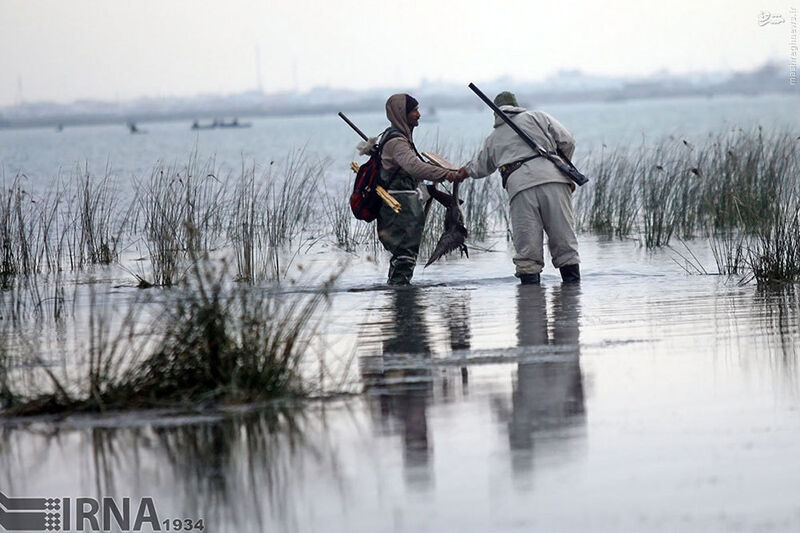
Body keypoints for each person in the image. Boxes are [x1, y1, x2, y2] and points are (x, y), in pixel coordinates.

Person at [454, 91, 580, 284]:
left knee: (527, 250)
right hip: (555, 182)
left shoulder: (493, 138)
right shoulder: (538, 117)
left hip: (521, 188)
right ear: (516, 105)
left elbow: (481, 167)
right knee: (564, 242)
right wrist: (559, 164)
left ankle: (530, 301)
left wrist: (463, 172)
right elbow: (568, 140)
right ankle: (572, 297)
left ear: (495, 112)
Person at [377, 93, 465, 285]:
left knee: (403, 256)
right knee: (405, 256)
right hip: (400, 208)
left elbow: (412, 168)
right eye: (414, 110)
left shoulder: (397, 138)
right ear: (402, 114)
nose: (418, 114)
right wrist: (446, 174)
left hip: (403, 205)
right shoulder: (397, 142)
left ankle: (399, 298)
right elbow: (414, 167)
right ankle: (403, 303)